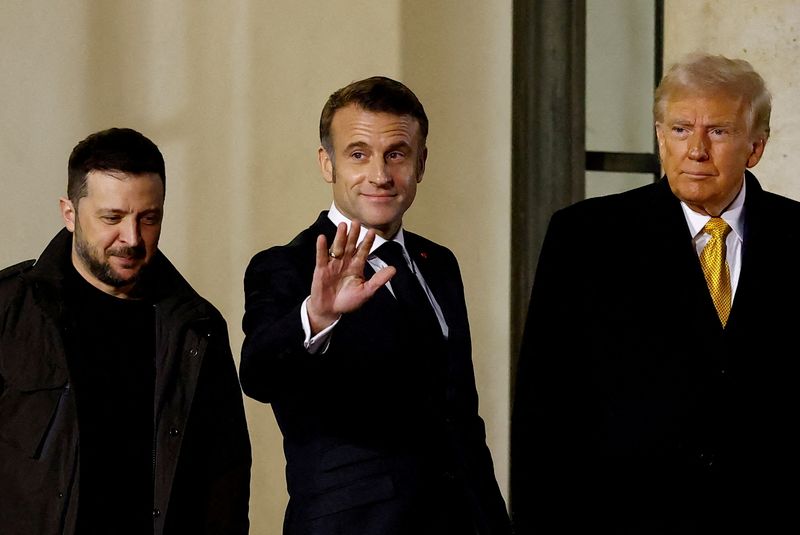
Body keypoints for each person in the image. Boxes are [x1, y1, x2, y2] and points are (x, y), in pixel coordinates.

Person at [511, 53, 800, 533]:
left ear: (756, 147)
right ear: (661, 137)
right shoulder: (585, 237)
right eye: (681, 129)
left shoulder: (799, 236)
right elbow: (545, 408)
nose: (697, 150)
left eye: (720, 131)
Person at [240, 76, 510, 534]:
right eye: (358, 154)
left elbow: (460, 415)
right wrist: (318, 316)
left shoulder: (439, 263)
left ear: (421, 163)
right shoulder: (286, 266)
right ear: (328, 164)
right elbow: (259, 373)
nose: (380, 175)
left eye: (396, 154)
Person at [0, 128, 251, 534]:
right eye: (111, 218)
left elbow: (225, 481)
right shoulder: (9, 312)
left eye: (149, 219)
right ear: (69, 213)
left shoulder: (197, 329)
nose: (132, 239)